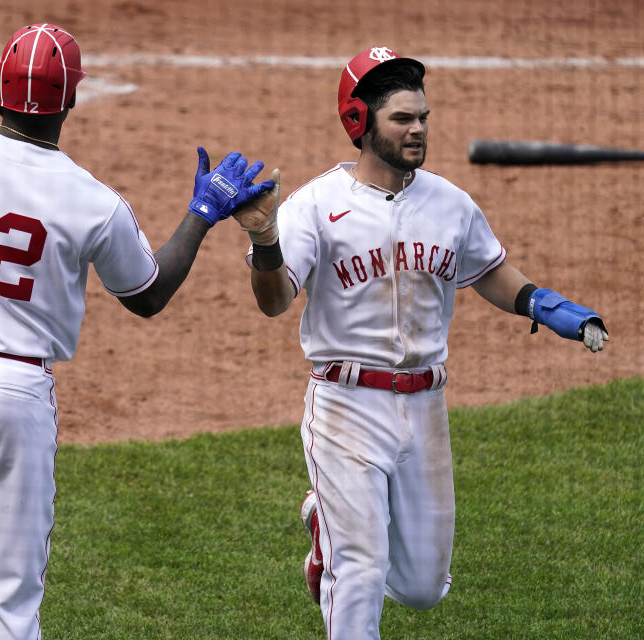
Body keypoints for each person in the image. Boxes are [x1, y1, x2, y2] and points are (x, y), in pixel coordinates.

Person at [0, 23, 273, 640]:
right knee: (10, 604)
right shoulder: (93, 201)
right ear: (71, 101)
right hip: (15, 397)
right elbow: (147, 295)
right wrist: (199, 215)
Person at [231, 46, 609, 639]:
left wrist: (543, 303)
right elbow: (275, 299)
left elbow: (485, 269)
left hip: (427, 406)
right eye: (402, 119)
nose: (417, 130)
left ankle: (319, 521)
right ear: (359, 122)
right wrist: (265, 239)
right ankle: (337, 539)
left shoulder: (449, 203)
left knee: (422, 587)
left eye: (423, 118)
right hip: (345, 406)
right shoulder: (314, 206)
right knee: (360, 572)